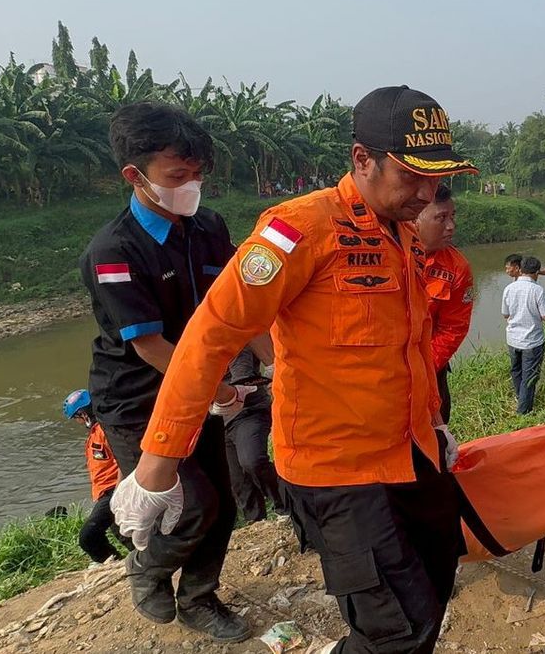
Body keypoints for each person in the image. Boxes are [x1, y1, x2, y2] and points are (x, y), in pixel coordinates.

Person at [110, 86, 476, 654]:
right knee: (397, 631)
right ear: (362, 159)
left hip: (410, 451)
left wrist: (434, 421)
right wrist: (156, 469)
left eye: (438, 179)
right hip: (339, 470)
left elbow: (408, 344)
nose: (427, 194)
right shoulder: (298, 229)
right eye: (412, 176)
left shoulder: (402, 234)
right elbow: (210, 335)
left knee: (433, 589)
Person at [80, 101, 264, 642]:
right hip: (137, 397)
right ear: (135, 177)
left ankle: (199, 599)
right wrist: (222, 387)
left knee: (222, 502)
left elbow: (240, 302)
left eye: (198, 173)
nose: (192, 185)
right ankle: (147, 567)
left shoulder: (206, 227)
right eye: (177, 175)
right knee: (192, 503)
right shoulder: (114, 251)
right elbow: (152, 347)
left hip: (198, 386)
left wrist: (281, 363)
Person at [419, 184, 475, 422]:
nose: (451, 226)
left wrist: (422, 368)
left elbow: (453, 328)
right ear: (414, 218)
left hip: (430, 370)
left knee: (434, 442)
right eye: (441, 218)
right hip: (378, 369)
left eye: (452, 216)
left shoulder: (456, 268)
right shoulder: (388, 253)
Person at [64, 389, 131, 563]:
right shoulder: (95, 433)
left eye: (76, 418)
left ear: (83, 414)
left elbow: (123, 459)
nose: (78, 422)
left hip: (113, 490)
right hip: (105, 492)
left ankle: (111, 562)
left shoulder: (105, 431)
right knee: (124, 535)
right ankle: (130, 562)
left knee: (88, 536)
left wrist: (118, 491)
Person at [222, 348, 285, 522]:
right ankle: (256, 523)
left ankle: (285, 504)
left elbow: (243, 379)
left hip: (248, 411)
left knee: (252, 461)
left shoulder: (234, 339)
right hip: (216, 420)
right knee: (239, 483)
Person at [502, 256, 545, 414]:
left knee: (516, 370)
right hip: (532, 341)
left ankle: (521, 397)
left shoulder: (509, 288)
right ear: (537, 272)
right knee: (529, 376)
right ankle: (523, 411)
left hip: (513, 339)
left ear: (521, 269)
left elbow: (505, 314)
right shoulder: (538, 290)